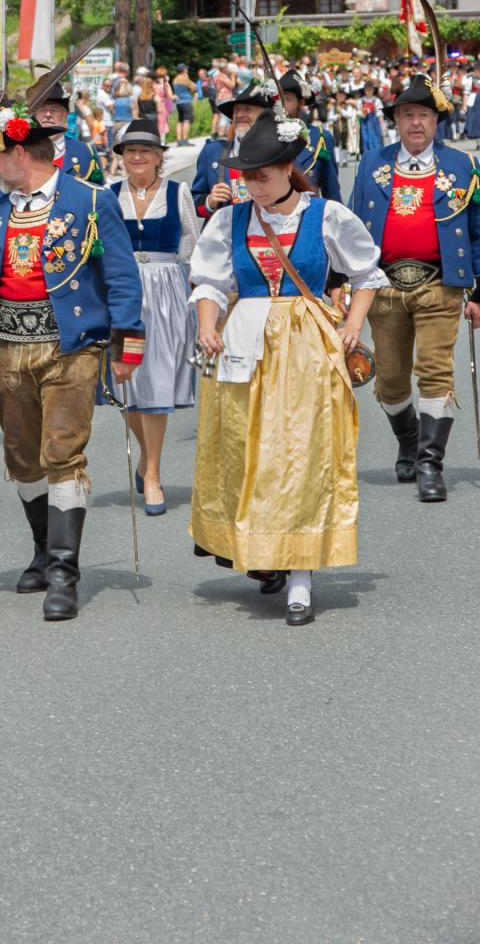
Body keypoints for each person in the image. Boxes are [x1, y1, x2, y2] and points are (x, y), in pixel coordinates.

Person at [189, 108, 385, 627]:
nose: (252, 183)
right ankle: (261, 553)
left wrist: (351, 328)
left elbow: (367, 274)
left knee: (300, 454)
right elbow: (209, 282)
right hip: (244, 344)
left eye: (263, 174)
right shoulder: (229, 219)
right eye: (247, 175)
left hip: (306, 347)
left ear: (288, 168)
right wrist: (208, 325)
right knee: (249, 450)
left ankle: (301, 577)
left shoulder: (326, 216)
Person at [0, 108, 144, 622]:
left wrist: (128, 341)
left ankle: (64, 572)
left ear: (20, 154)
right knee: (22, 458)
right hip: (10, 347)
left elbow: (123, 275)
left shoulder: (90, 201)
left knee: (62, 451)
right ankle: (42, 548)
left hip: (72, 345)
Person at [349, 73, 480, 502]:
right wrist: (340, 283)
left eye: (423, 114)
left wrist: (478, 292)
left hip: (440, 285)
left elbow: (477, 231)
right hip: (383, 288)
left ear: (436, 120)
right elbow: (349, 229)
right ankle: (408, 439)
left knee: (436, 370)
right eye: (407, 114)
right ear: (397, 120)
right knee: (388, 381)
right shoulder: (372, 163)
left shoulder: (463, 165)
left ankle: (429, 462)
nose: (415, 123)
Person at [103, 119, 199, 514]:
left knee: (156, 382)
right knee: (127, 384)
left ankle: (154, 473)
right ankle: (146, 455)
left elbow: (192, 246)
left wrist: (198, 299)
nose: (137, 157)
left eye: (145, 151)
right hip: (124, 294)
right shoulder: (109, 195)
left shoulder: (178, 192)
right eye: (129, 151)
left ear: (160, 157)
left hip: (166, 292)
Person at [190, 81, 273, 220]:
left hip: (264, 236)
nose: (240, 115)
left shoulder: (278, 152)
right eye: (237, 110)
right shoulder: (212, 151)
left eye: (248, 109)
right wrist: (210, 202)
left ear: (264, 117)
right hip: (224, 237)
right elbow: (192, 202)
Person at [278, 71, 342, 201]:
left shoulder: (320, 138)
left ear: (301, 102)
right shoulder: (265, 136)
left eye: (287, 99)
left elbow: (331, 191)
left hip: (310, 216)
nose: (281, 105)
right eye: (278, 99)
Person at [35, 82, 103, 186]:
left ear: (65, 116)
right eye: (42, 109)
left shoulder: (85, 151)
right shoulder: (23, 150)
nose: (48, 114)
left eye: (54, 110)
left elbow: (98, 193)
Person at [172, 64, 196, 142]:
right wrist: (191, 92)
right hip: (186, 101)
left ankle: (179, 140)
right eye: (186, 69)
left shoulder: (175, 79)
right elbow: (194, 87)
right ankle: (185, 140)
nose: (187, 70)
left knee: (180, 121)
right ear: (184, 70)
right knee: (186, 121)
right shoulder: (185, 79)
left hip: (179, 102)